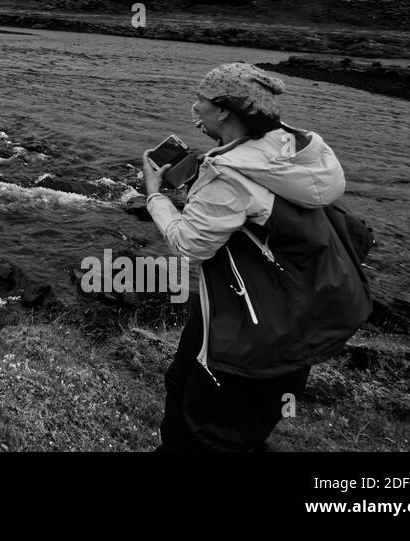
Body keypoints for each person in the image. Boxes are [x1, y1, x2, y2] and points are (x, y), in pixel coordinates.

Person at [141, 62, 371, 451]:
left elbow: (190, 245)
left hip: (256, 328)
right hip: (296, 311)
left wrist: (155, 195)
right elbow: (253, 207)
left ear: (225, 110)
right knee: (190, 390)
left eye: (200, 102)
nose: (194, 110)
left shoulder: (227, 174)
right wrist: (204, 183)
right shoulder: (290, 147)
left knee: (214, 431)